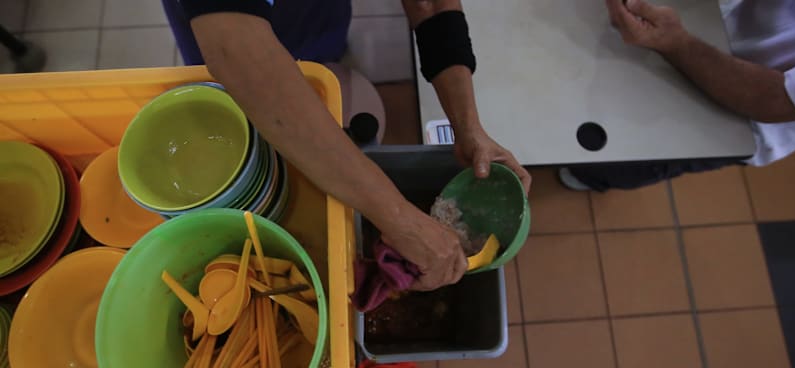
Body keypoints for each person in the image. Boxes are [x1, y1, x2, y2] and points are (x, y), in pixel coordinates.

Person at [162, 0, 531, 291]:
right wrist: (399, 219)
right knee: (243, 113)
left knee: (323, 48)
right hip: (228, 27)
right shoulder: (233, 39)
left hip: (315, 16)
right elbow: (235, 47)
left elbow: (430, 2)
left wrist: (468, 125)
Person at [559, 0, 795, 192]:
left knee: (624, 159)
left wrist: (676, 43)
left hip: (740, 119)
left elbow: (775, 99)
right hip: (710, 25)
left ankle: (591, 176)